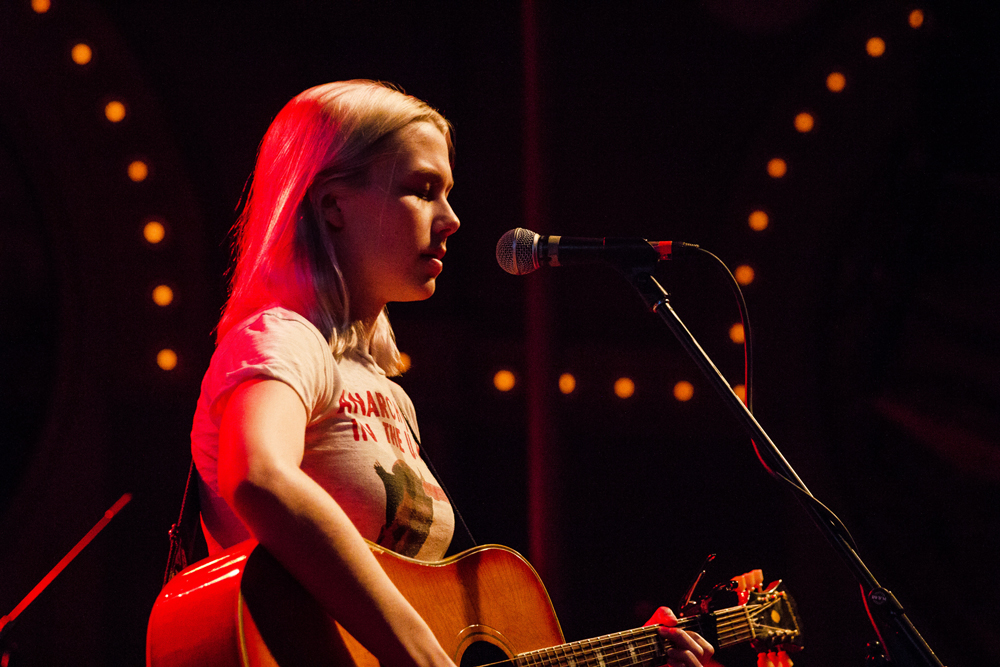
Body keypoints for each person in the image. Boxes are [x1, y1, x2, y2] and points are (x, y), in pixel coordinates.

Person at [190, 79, 714, 667]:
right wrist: (420, 653)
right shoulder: (284, 338)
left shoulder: (389, 394)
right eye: (422, 190)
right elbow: (257, 475)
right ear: (332, 204)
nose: (452, 219)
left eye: (448, 193)